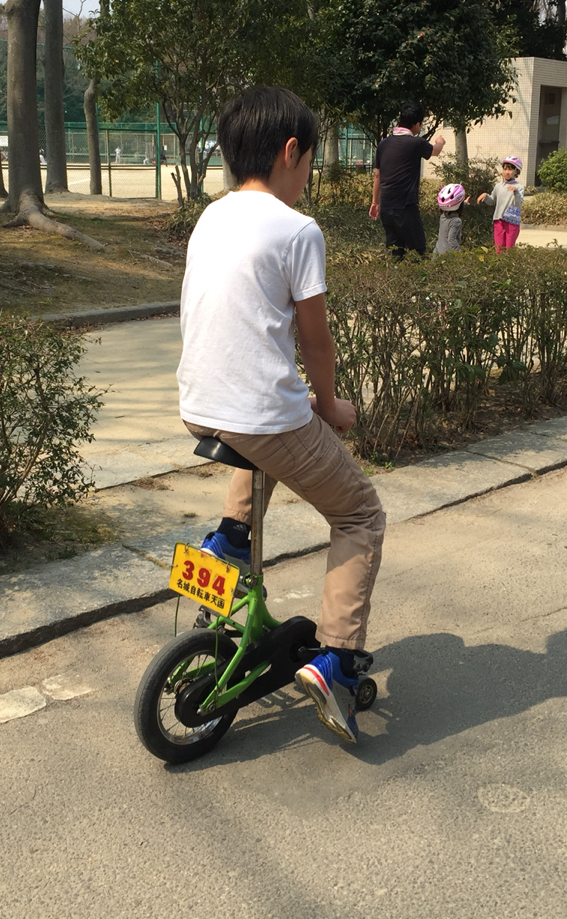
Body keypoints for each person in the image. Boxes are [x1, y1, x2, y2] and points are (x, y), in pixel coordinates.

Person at [177, 86, 386, 745]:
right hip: (260, 415)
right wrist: (332, 407)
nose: (308, 178)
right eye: (310, 163)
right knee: (359, 514)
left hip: (200, 407)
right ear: (291, 153)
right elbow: (315, 341)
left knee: (271, 432)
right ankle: (338, 659)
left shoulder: (211, 216)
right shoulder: (297, 230)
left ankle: (228, 542)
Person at [369, 102, 446, 259]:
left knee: (397, 254)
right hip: (405, 208)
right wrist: (440, 141)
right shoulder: (416, 143)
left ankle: (397, 282)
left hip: (386, 208)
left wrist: (375, 202)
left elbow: (378, 175)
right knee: (418, 253)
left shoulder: (383, 144)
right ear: (417, 124)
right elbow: (435, 151)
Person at [477, 155, 524, 252]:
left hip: (512, 222)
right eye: (505, 169)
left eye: (510, 170)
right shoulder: (498, 186)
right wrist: (486, 197)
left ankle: (508, 267)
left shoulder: (519, 187)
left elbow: (518, 203)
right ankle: (499, 266)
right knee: (498, 249)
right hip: (498, 221)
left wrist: (515, 192)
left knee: (509, 249)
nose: (507, 172)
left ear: (516, 171)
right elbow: (492, 201)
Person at [434, 183, 466, 253]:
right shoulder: (456, 221)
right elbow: (451, 239)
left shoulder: (443, 216)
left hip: (436, 254)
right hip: (447, 257)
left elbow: (452, 206)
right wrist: (460, 253)